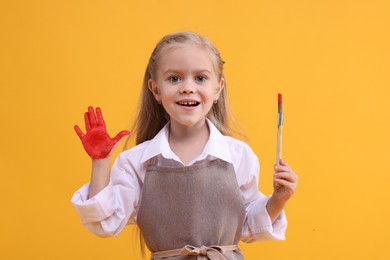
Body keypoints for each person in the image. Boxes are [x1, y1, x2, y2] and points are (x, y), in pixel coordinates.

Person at [71, 31, 298, 260]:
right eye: (174, 78)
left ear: (218, 89)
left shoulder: (237, 155)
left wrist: (279, 199)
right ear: (156, 89)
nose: (188, 87)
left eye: (200, 78)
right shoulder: (136, 161)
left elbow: (249, 225)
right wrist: (100, 162)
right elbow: (104, 222)